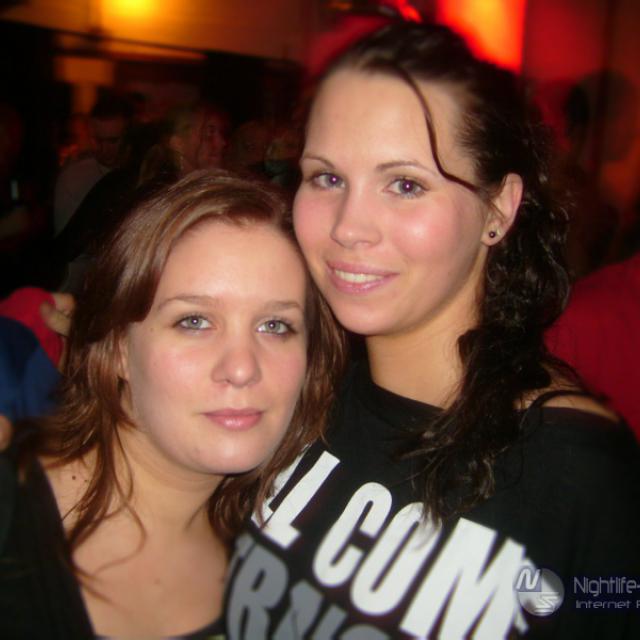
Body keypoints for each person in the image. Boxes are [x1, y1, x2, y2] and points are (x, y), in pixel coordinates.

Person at [224, 21, 640, 638]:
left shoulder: (579, 471)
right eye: (327, 178)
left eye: (405, 184)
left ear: (498, 207)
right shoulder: (301, 390)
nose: (348, 227)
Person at [0, 171, 345, 638]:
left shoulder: (280, 559)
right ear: (118, 348)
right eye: (195, 321)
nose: (242, 368)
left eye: (275, 326)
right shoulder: (12, 513)